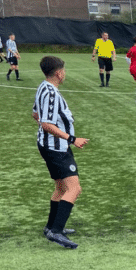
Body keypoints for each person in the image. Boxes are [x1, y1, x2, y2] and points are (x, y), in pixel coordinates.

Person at [33, 56, 90, 249]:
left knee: (61, 187)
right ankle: (56, 232)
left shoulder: (43, 87)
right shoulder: (50, 93)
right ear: (58, 73)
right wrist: (72, 139)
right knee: (74, 189)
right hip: (56, 148)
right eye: (63, 70)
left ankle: (51, 227)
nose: (64, 73)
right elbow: (46, 123)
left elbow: (36, 114)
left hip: (51, 145)